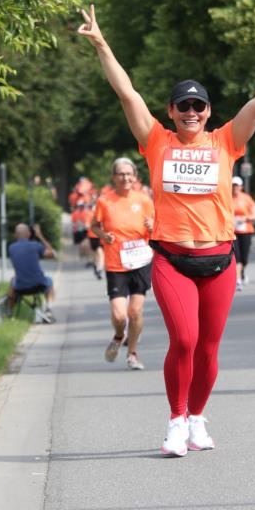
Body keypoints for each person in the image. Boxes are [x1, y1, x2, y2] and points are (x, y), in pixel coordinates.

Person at [78, 3, 255, 455]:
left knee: (207, 347)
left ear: (207, 112)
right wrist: (102, 44)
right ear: (171, 111)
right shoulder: (156, 141)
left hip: (219, 257)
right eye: (182, 105)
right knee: (183, 339)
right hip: (171, 258)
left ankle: (198, 417)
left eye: (197, 105)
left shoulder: (227, 140)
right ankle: (176, 420)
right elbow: (127, 94)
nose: (190, 111)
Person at [91, 158, 155, 370]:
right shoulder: (104, 201)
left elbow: (158, 228)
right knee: (119, 315)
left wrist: (152, 225)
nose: (125, 178)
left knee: (135, 312)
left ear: (135, 177)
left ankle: (132, 353)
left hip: (141, 261)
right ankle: (119, 335)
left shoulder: (144, 200)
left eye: (129, 174)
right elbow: (94, 226)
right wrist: (103, 235)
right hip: (116, 263)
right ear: (114, 177)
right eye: (121, 174)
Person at [8, 222, 57, 322]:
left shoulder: (11, 248)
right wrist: (40, 236)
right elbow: (53, 254)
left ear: (15, 235)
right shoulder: (36, 246)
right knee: (50, 281)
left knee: (12, 281)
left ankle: (10, 312)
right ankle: (48, 309)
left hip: (20, 287)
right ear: (29, 234)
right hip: (38, 284)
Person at [231, 177, 255, 289]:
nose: (235, 188)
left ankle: (242, 272)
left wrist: (244, 218)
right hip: (232, 232)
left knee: (244, 258)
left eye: (237, 185)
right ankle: (237, 281)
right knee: (236, 256)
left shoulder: (247, 198)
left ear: (241, 187)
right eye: (233, 185)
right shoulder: (226, 198)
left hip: (246, 231)